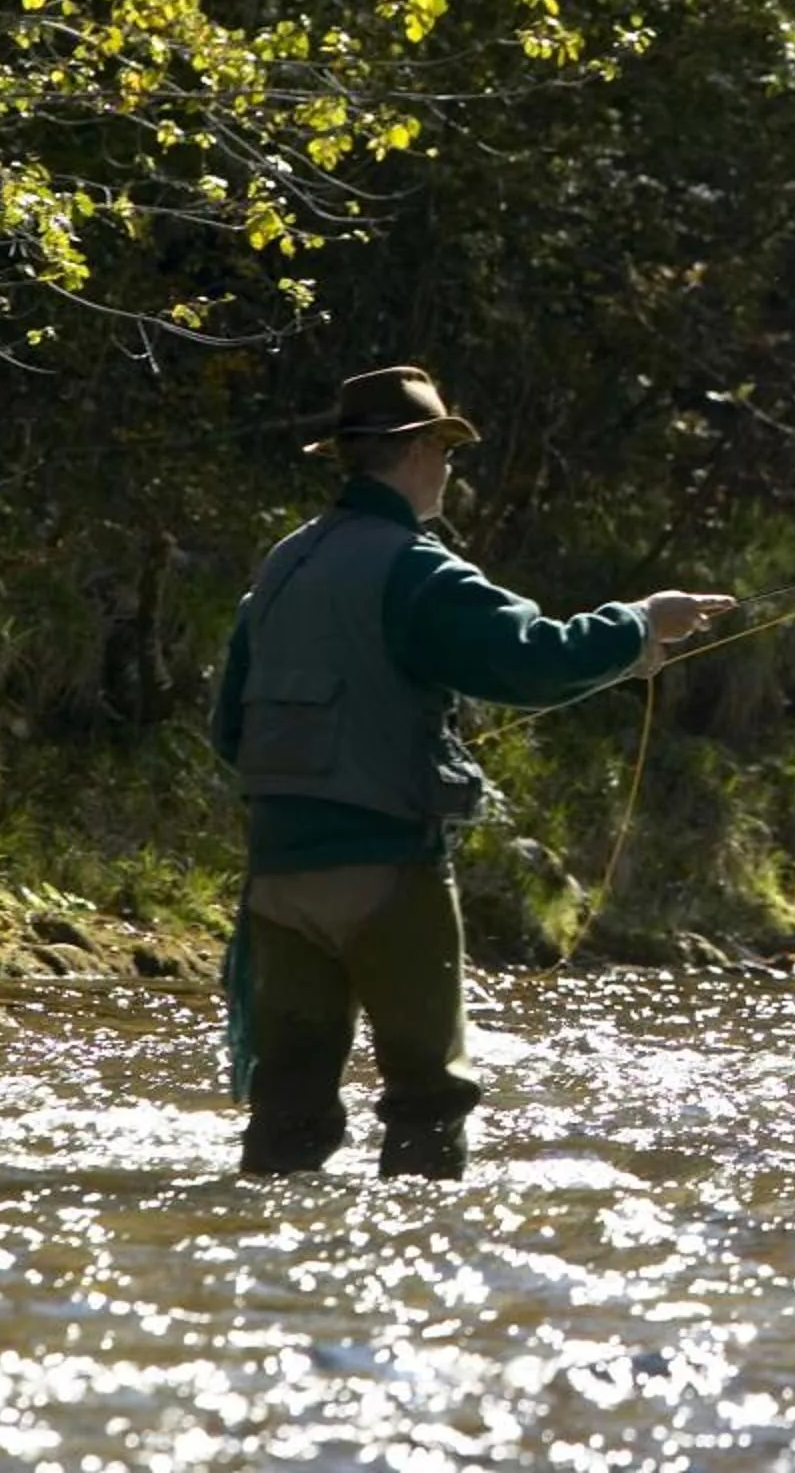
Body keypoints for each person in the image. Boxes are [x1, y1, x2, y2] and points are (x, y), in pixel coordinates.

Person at [208, 364, 733, 1179]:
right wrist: (640, 624)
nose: (448, 468)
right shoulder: (417, 570)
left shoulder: (285, 565)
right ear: (418, 449)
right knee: (427, 1101)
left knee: (289, 1106)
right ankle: (415, 1279)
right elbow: (531, 660)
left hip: (277, 882)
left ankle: (258, 1265)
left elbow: (227, 726)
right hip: (388, 874)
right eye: (445, 450)